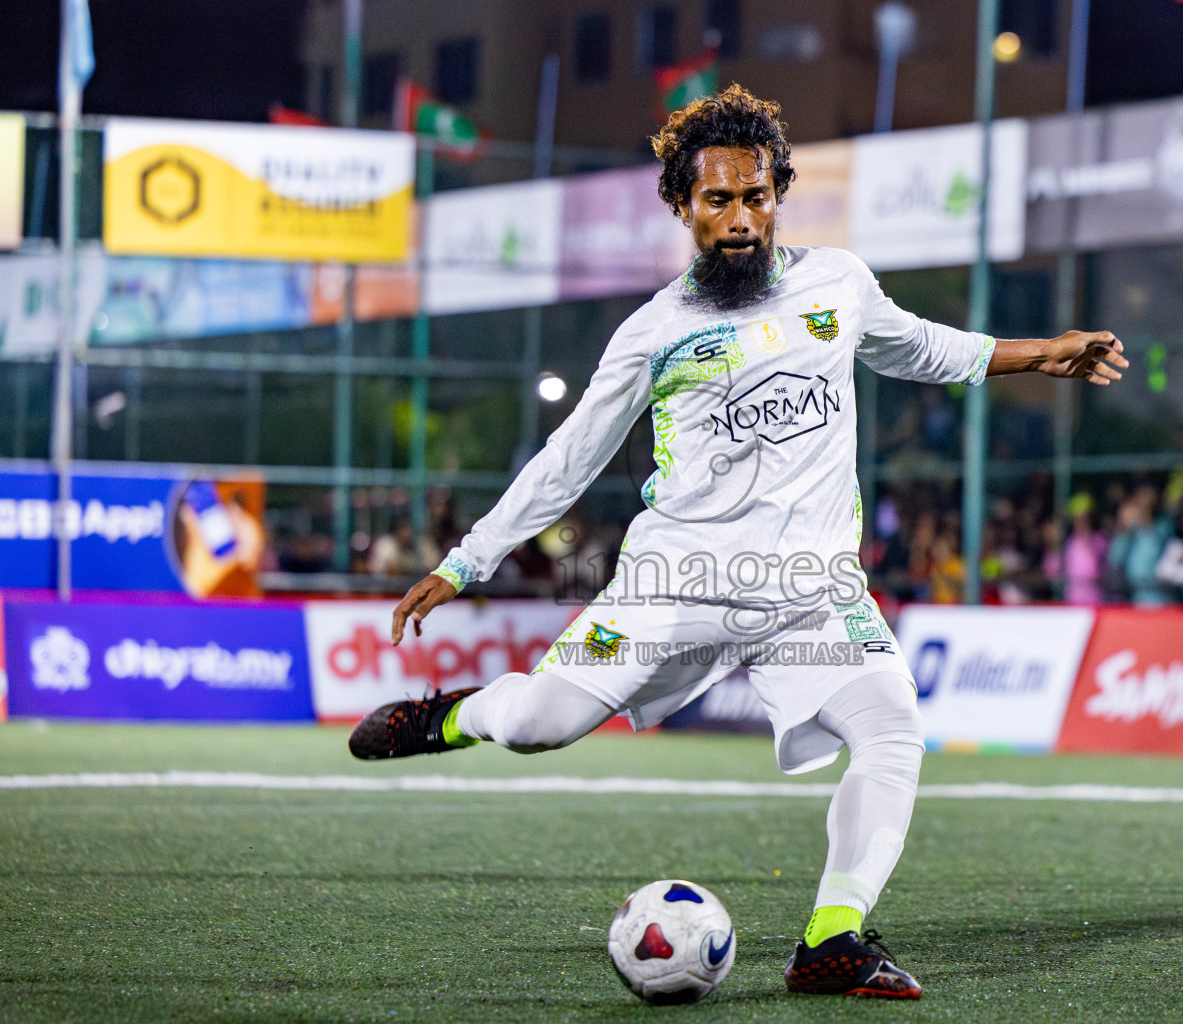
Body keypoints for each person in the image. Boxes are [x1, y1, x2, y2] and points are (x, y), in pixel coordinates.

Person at [350, 85, 1126, 999]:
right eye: (717, 200)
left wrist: (1043, 352)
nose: (741, 218)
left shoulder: (836, 282)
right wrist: (464, 562)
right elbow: (569, 459)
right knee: (536, 726)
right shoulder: (654, 331)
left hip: (809, 589)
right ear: (682, 205)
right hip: (675, 582)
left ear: (778, 194)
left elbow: (919, 347)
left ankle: (832, 940)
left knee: (893, 728)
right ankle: (447, 717)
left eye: (756, 195)